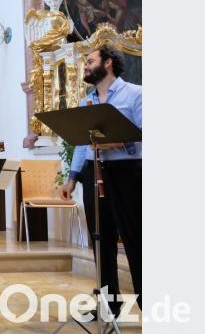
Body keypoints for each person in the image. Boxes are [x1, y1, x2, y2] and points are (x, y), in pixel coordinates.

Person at [60, 45, 142, 315]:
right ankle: (109, 305)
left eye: (90, 60)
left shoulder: (135, 94)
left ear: (107, 63)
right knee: (101, 240)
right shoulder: (87, 102)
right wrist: (72, 179)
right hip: (94, 174)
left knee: (135, 238)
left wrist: (119, 144)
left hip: (127, 173)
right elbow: (83, 146)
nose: (85, 65)